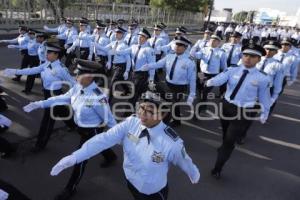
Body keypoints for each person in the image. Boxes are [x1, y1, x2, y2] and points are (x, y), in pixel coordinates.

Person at [49, 91, 200, 200]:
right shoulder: (131, 122)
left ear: (162, 114)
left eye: (150, 111)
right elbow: (104, 139)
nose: (143, 114)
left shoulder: (171, 143)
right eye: (141, 108)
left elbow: (185, 162)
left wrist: (193, 174)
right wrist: (76, 156)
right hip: (130, 180)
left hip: (152, 191)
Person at [23, 58, 118, 200]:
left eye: (79, 73)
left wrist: (123, 138)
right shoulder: (77, 87)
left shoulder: (97, 97)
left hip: (92, 130)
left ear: (90, 76)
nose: (75, 75)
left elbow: (109, 120)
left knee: (80, 160)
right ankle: (111, 156)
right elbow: (62, 98)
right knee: (98, 146)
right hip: (81, 128)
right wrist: (40, 104)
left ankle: (70, 189)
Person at [206, 42, 271, 179]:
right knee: (225, 131)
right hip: (226, 106)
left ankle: (218, 167)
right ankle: (224, 146)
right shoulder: (232, 69)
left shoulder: (263, 77)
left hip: (243, 112)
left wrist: (265, 112)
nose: (248, 58)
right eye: (246, 55)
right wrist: (211, 81)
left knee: (230, 140)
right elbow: (220, 79)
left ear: (259, 59)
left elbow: (265, 97)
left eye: (253, 56)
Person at [3, 39, 76, 153]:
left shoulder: (61, 69)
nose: (46, 54)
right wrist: (15, 71)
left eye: (49, 53)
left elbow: (73, 83)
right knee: (62, 111)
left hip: (54, 95)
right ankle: (74, 125)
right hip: (47, 93)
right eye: (47, 52)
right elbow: (33, 70)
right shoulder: (47, 63)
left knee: (47, 121)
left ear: (56, 55)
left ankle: (40, 144)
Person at [141, 36, 196, 127]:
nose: (177, 47)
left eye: (180, 45)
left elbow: (192, 79)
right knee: (169, 103)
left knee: (172, 104)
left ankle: (170, 122)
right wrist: (148, 66)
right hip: (167, 84)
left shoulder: (189, 61)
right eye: (176, 45)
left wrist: (192, 94)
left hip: (180, 87)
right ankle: (172, 120)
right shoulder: (170, 56)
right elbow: (158, 64)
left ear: (185, 47)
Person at [115, 28, 155, 108]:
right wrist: (114, 50)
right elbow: (123, 52)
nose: (140, 38)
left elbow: (152, 65)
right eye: (139, 36)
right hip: (134, 73)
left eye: (142, 37)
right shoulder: (134, 47)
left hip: (142, 74)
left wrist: (151, 79)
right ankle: (148, 105)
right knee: (141, 92)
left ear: (146, 38)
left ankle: (128, 111)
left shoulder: (149, 50)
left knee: (134, 92)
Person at [191, 35, 227, 116]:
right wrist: (194, 48)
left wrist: (223, 76)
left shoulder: (221, 52)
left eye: (215, 40)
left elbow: (223, 66)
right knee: (200, 91)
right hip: (202, 73)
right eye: (211, 40)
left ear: (218, 42)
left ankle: (197, 112)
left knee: (204, 92)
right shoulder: (204, 49)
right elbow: (195, 55)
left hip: (212, 75)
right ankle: (203, 104)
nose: (212, 41)